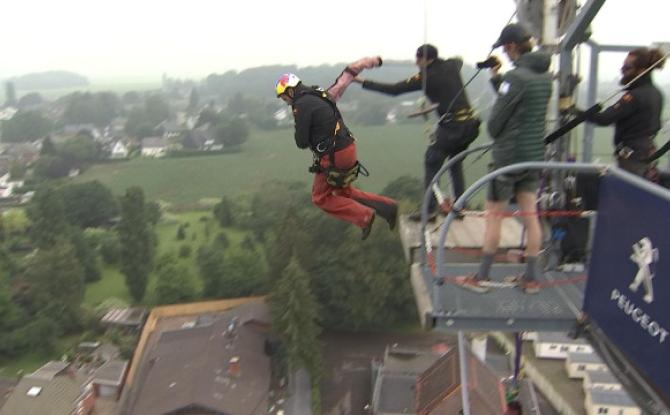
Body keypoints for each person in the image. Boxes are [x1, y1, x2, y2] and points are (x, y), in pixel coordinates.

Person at [459, 23, 552, 294]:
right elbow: (521, 103)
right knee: (531, 216)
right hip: (533, 156)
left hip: (508, 157)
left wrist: (503, 82)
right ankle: (531, 278)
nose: (505, 54)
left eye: (505, 49)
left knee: (494, 217)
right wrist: (496, 77)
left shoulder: (515, 77)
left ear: (512, 46)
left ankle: (482, 276)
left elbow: (495, 123)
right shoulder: (545, 76)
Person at [354, 44, 480, 221]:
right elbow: (459, 60)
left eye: (418, 59)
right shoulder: (452, 65)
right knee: (455, 163)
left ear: (427, 59)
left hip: (453, 128)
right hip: (470, 125)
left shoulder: (427, 77)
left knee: (432, 161)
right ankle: (459, 206)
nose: (416, 62)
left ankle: (429, 210)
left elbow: (395, 90)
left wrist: (360, 81)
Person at [275, 73, 398, 240]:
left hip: (334, 156)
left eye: (285, 98)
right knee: (343, 192)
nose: (286, 102)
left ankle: (364, 217)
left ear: (290, 91)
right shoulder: (317, 92)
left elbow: (301, 141)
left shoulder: (301, 104)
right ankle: (389, 207)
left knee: (320, 197)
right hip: (348, 148)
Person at [580, 47, 665, 179]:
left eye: (627, 67)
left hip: (632, 157)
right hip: (646, 152)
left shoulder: (634, 96)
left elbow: (605, 118)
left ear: (641, 71)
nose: (622, 70)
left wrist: (574, 111)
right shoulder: (656, 93)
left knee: (629, 188)